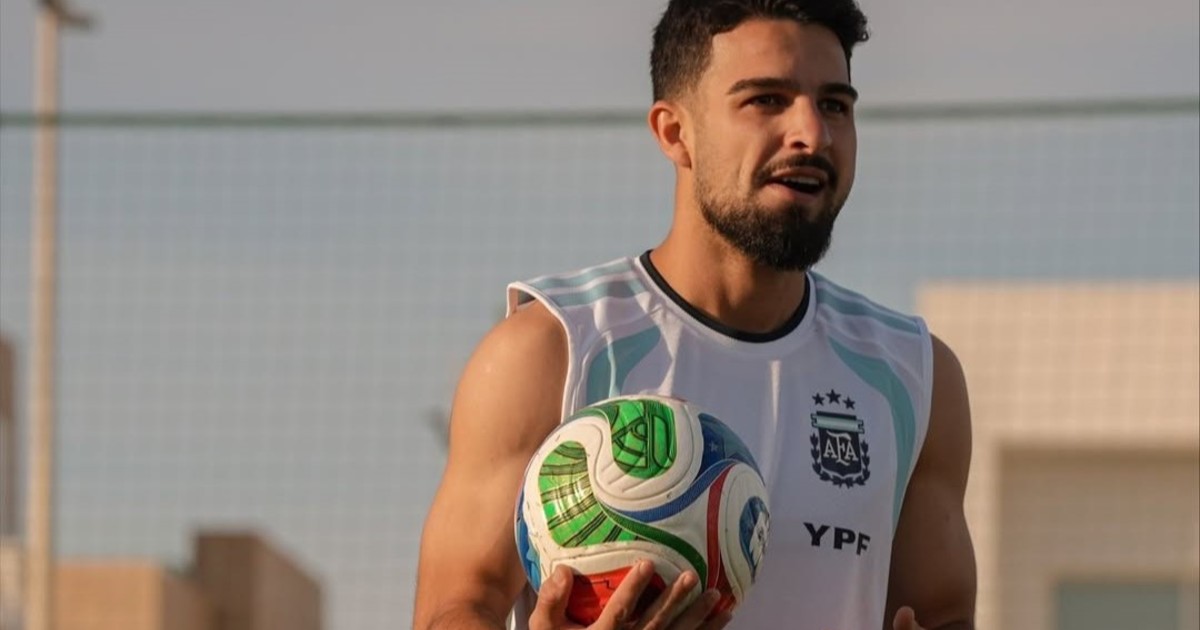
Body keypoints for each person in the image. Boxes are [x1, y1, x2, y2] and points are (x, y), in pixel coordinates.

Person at [412, 1, 977, 628]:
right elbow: (452, 607)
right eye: (766, 100)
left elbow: (942, 614)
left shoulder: (912, 376)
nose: (812, 134)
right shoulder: (553, 349)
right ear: (674, 132)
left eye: (835, 105)